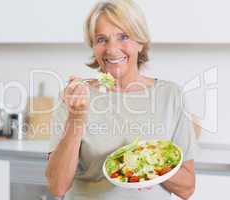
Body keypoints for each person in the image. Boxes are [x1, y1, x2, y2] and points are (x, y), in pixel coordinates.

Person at [45, 0, 197, 199]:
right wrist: (77, 117)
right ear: (93, 46)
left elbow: (187, 188)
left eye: (123, 36)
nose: (112, 49)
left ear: (140, 43)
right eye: (101, 39)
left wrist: (147, 160)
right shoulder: (75, 97)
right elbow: (57, 186)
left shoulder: (170, 96)